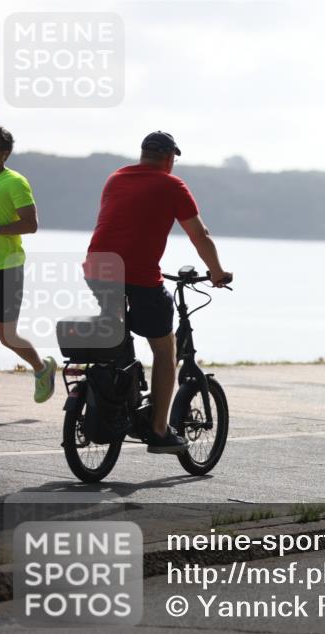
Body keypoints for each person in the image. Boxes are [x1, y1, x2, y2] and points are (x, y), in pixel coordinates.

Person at [83, 131, 231, 453]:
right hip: (138, 275)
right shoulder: (172, 185)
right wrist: (217, 272)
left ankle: (122, 395)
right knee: (165, 349)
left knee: (119, 337)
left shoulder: (115, 178)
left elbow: (121, 226)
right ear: (170, 158)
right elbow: (200, 234)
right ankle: (159, 429)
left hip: (97, 269)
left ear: (142, 154)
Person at [0, 125, 57, 401]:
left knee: (6, 336)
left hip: (8, 269)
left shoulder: (15, 182)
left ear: (5, 153)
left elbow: (31, 225)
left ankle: (42, 368)